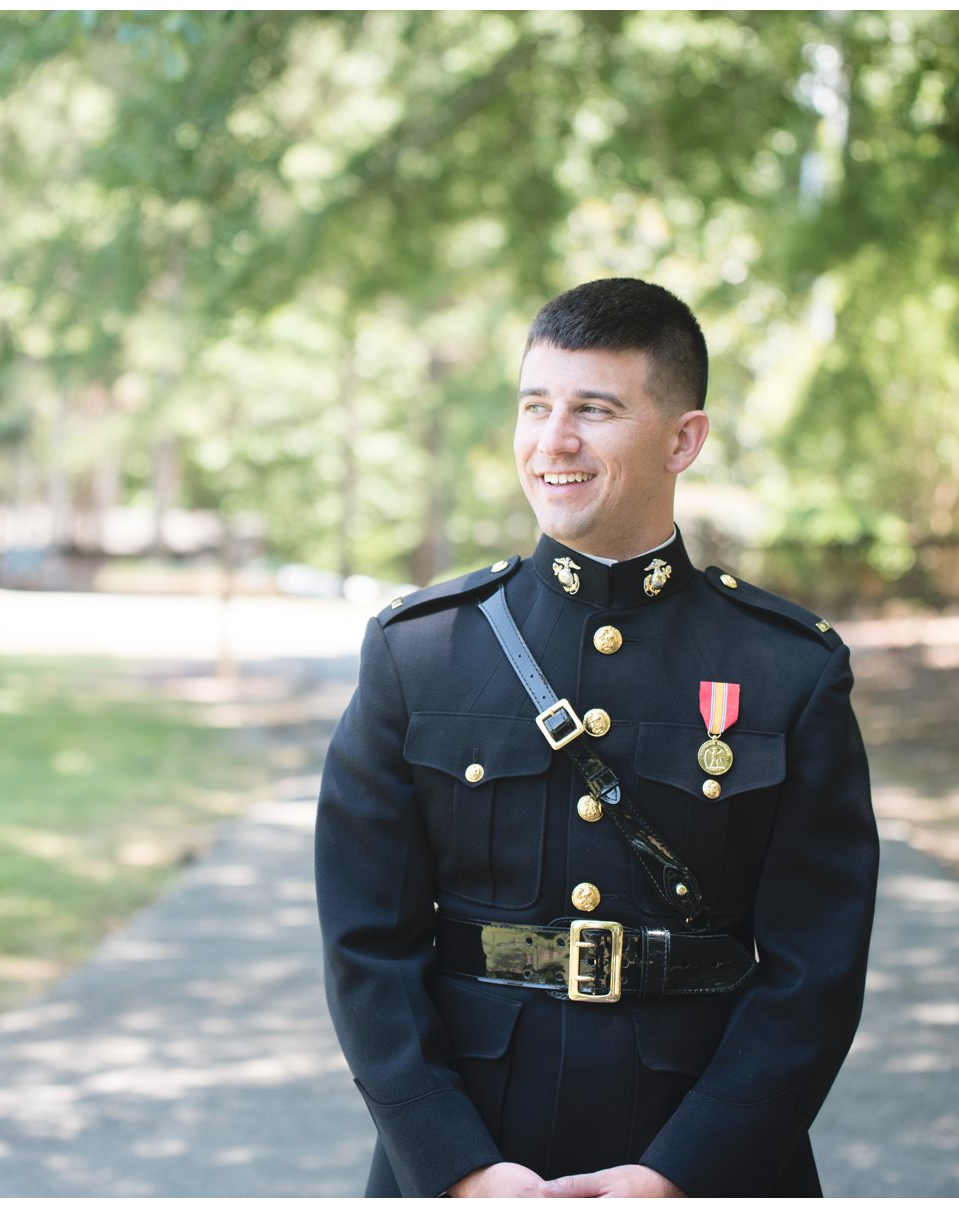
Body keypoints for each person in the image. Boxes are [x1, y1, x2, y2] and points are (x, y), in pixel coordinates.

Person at [314, 278, 878, 1198]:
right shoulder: (419, 654)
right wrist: (457, 1168)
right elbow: (366, 946)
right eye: (535, 406)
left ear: (683, 439)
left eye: (594, 409)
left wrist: (679, 1176)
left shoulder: (788, 671)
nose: (553, 441)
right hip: (471, 1150)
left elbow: (815, 974)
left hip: (706, 1150)